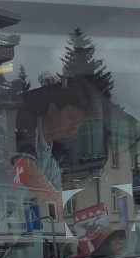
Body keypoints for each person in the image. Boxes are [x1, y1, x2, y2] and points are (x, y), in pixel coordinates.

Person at [11, 77, 99, 214]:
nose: (75, 126)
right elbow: (26, 171)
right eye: (71, 117)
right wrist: (57, 201)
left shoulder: (54, 159)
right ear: (52, 109)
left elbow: (56, 210)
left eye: (80, 122)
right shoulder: (24, 123)